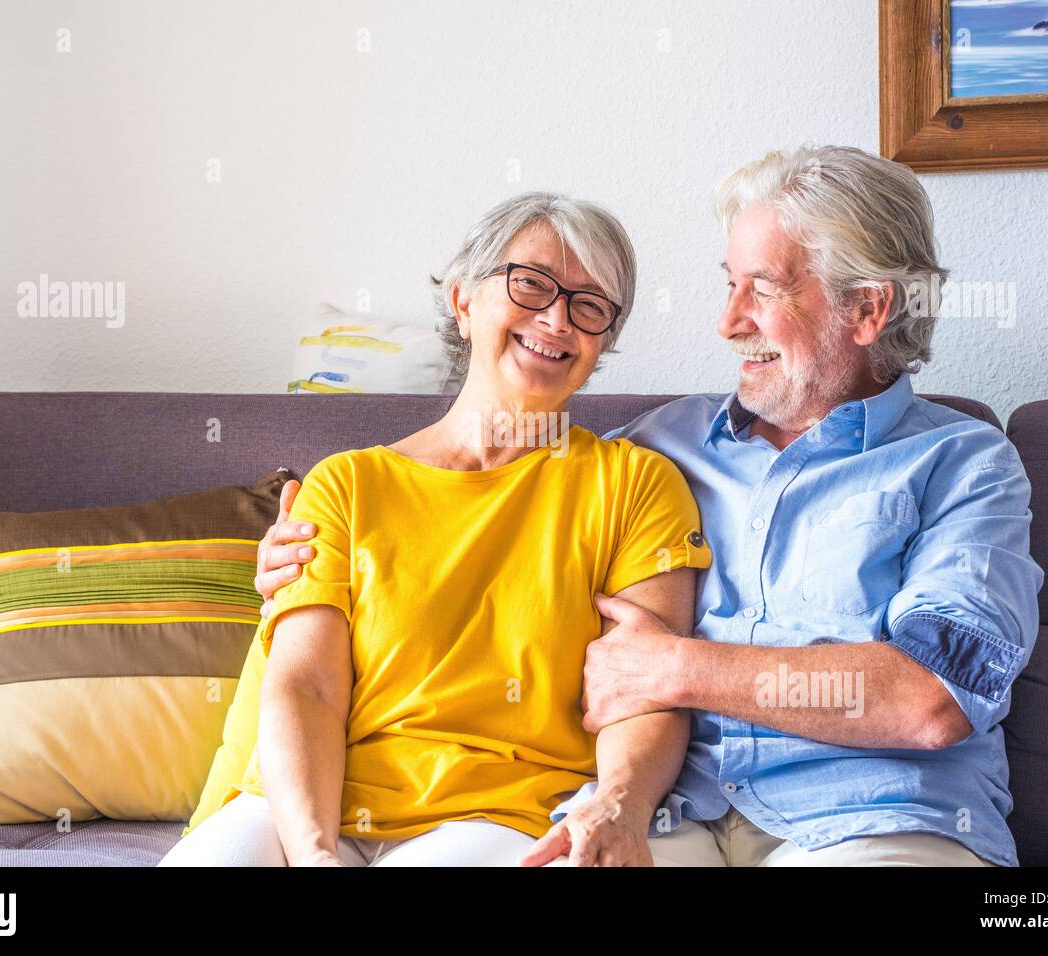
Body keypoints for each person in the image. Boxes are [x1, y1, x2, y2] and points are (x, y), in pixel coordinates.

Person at [259, 146, 1045, 867]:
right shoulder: (659, 447)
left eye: (762, 289)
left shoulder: (965, 463)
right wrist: (286, 556)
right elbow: (501, 500)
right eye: (728, 283)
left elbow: (932, 697)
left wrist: (679, 667)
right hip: (674, 818)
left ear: (868, 310)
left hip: (872, 817)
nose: (727, 321)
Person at [160, 191, 722, 867]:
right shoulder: (346, 485)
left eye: (589, 305)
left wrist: (619, 804)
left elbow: (644, 691)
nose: (556, 319)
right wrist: (313, 854)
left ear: (602, 343)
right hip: (305, 802)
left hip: (500, 814)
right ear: (462, 300)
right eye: (531, 284)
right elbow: (304, 685)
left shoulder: (637, 486)